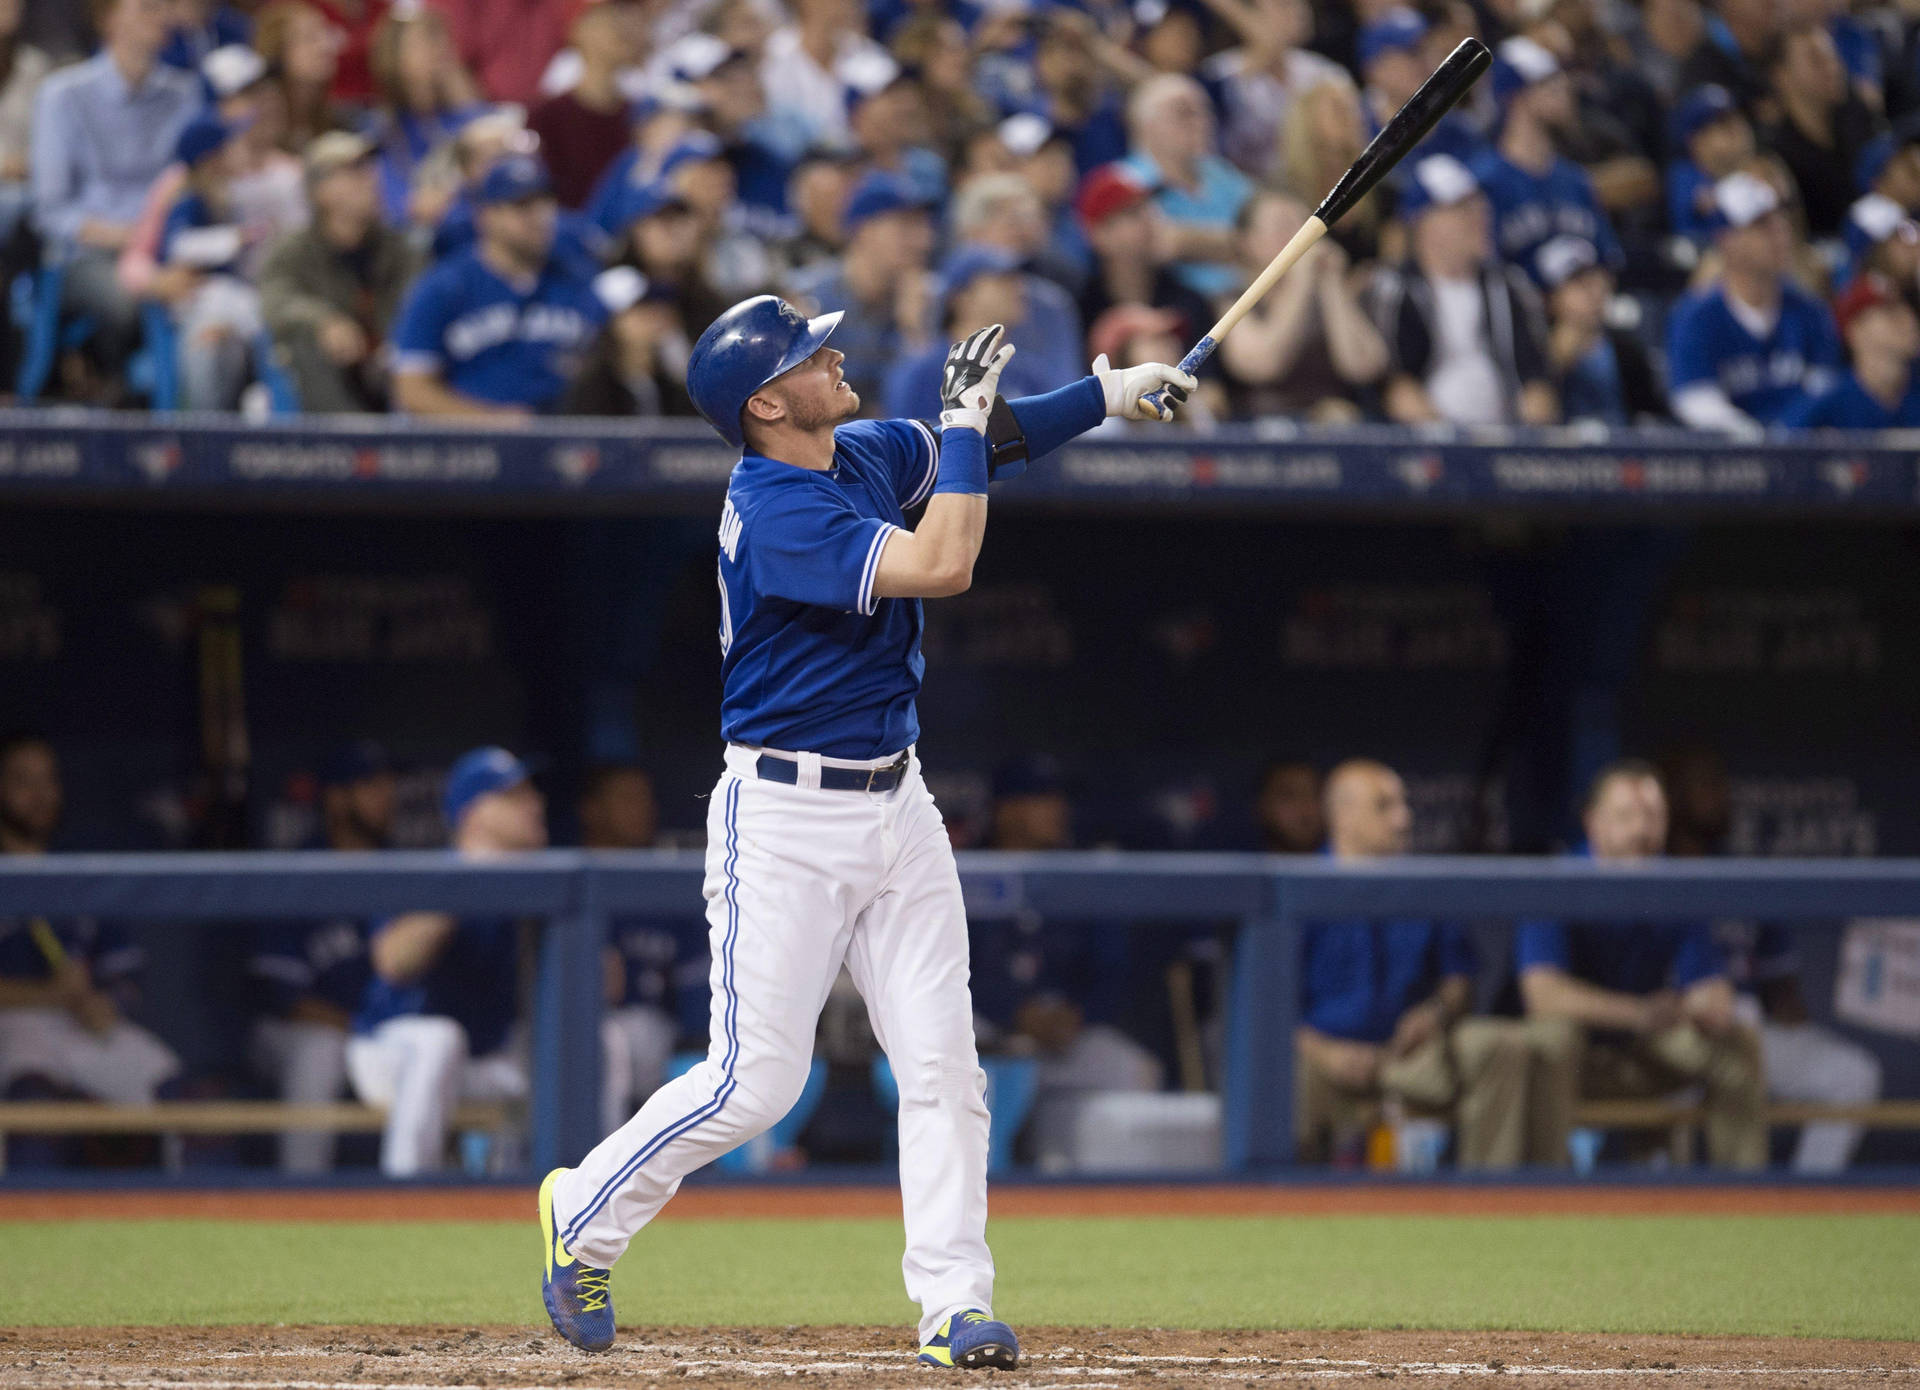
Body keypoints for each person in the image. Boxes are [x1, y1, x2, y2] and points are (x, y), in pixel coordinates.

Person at [534, 295, 1195, 1363]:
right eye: (810, 355)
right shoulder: (773, 505)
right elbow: (946, 563)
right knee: (755, 1080)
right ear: (765, 401)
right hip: (784, 813)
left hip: (899, 800)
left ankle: (953, 1305)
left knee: (944, 1065)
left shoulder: (861, 450)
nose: (835, 357)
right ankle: (585, 1211)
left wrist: (1110, 394)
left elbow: (993, 440)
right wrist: (972, 430)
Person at [1515, 760, 1767, 1171]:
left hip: (1644, 1050)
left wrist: (1704, 1003)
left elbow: (1711, 985)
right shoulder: (1557, 880)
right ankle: (1544, 1198)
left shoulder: (1673, 885)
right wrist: (1639, 1013)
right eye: (1626, 816)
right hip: (1573, 1058)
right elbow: (1544, 995)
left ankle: (1745, 1201)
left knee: (1735, 1042)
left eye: (1653, 816)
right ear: (1593, 822)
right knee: (1551, 1038)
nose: (1641, 830)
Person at [1296, 760, 1534, 1169]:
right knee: (1282, 1075)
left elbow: (1460, 980)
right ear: (1343, 816)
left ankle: (1491, 1204)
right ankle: (1279, 1210)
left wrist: (1436, 1011)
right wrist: (1324, 1052)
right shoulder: (1296, 888)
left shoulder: (1425, 885)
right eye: (1384, 806)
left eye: (1402, 804)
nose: (1403, 818)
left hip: (1410, 1056)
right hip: (1323, 1056)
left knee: (1500, 1045)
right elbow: (1265, 1006)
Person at [1658, 747, 1883, 1173]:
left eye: (1720, 785)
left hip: (1747, 1027)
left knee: (1853, 1072)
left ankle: (1804, 1202)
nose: (1720, 796)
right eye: (1705, 785)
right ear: (1672, 796)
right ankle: (1655, 1206)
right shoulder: (1647, 875)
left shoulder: (1743, 876)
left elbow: (1783, 990)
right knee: (1670, 1075)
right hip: (1675, 1031)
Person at [346, 746, 536, 1177]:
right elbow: (392, 961)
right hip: (390, 1053)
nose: (534, 805)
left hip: (481, 1061)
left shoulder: (534, 885)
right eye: (514, 796)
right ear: (475, 813)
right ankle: (408, 1191)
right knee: (439, 1039)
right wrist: (467, 886)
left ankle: (531, 1199)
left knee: (559, 1054)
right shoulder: (429, 872)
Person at [0, 735, 181, 1110]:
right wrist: (47, 994)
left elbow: (125, 974)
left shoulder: (79, 875)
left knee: (171, 1094)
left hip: (78, 1023)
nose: (40, 794)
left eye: (48, 781)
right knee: (32, 1103)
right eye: (23, 781)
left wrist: (107, 1003)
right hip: (12, 1030)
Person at [29, 0, 201, 392]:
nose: (161, 17)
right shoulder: (63, 95)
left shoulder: (185, 94)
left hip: (168, 247)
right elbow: (51, 210)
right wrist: (132, 235)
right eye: (147, 8)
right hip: (88, 253)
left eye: (164, 8)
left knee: (204, 297)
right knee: (126, 300)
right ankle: (112, 391)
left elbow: (193, 183)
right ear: (109, 19)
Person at [246, 742, 390, 1173]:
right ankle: (302, 1192)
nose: (385, 794)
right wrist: (358, 1028)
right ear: (336, 799)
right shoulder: (298, 874)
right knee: (321, 1050)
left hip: (370, 1035)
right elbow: (282, 997)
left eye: (386, 783)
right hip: (291, 1033)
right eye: (369, 785)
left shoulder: (402, 868)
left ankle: (427, 1197)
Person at [391, 152, 607, 420]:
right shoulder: (444, 287)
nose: (540, 216)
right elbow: (412, 389)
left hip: (568, 440)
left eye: (545, 202)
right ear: (486, 216)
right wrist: (489, 421)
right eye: (522, 206)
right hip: (474, 448)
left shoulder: (577, 280)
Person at [1370, 154, 1558, 427]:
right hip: (1429, 444)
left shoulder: (1509, 285)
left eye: (1479, 203)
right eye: (1461, 207)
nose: (1479, 214)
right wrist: (1455, 448)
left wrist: (1526, 442)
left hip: (1507, 435)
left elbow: (1536, 378)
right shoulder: (1395, 289)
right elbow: (1395, 385)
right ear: (1423, 221)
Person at [578, 763, 711, 1136]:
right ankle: (595, 1166)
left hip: (649, 1030)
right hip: (561, 1035)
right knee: (607, 1040)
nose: (642, 808)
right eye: (626, 798)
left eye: (645, 798)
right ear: (592, 809)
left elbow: (695, 987)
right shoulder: (572, 878)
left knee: (622, 1038)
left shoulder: (664, 884)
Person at [1667, 171, 1842, 434]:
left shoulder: (1810, 311)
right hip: (1729, 463)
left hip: (1804, 454)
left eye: (1780, 220)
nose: (1780, 233)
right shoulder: (1696, 317)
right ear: (1726, 239)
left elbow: (1825, 389)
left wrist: (1786, 433)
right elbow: (1695, 400)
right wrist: (1757, 440)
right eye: (1761, 225)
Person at [260, 130, 422, 412]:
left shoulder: (400, 247)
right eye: (353, 171)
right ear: (319, 191)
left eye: (369, 169)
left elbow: (419, 300)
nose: (370, 179)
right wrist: (324, 320)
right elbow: (275, 300)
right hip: (334, 366)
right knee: (303, 343)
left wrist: (399, 338)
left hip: (388, 364)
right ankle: (347, 440)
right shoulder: (293, 250)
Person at [1218, 189, 1388, 422]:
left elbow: (1365, 367)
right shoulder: (1232, 299)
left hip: (1335, 423)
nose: (1300, 238)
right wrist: (1300, 281)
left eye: (1305, 227)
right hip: (1260, 428)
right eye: (1282, 226)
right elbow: (1262, 365)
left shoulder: (1334, 294)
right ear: (1247, 241)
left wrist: (1332, 284)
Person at [1472, 37, 1622, 288]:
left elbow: (1607, 261)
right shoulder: (1484, 183)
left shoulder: (1576, 180)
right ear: (1515, 98)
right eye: (1546, 83)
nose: (1562, 88)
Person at [783, 171, 936, 405]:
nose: (923, 240)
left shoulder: (927, 298)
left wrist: (912, 330)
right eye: (905, 227)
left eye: (924, 227)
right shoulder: (808, 297)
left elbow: (927, 402)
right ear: (864, 230)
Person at [157, 113, 268, 411]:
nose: (238, 148)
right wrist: (233, 239)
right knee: (253, 313)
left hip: (223, 297)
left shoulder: (227, 197)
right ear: (211, 159)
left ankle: (263, 397)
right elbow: (179, 246)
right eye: (230, 145)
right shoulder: (189, 200)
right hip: (198, 296)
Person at [1122, 73, 1251, 299]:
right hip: (1177, 306)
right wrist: (1246, 245)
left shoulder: (1222, 173)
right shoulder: (1126, 181)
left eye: (1205, 111)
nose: (1201, 122)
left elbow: (1273, 235)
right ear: (1146, 125)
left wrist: (1192, 241)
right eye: (1184, 113)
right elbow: (1163, 245)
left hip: (1250, 295)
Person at [1200, 0, 1349, 183]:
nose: (1297, 10)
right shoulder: (1219, 74)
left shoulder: (1324, 73)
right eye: (1283, 4)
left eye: (1300, 3)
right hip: (1248, 191)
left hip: (1316, 186)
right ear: (1252, 14)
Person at [1073, 162, 1213, 351]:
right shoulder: (1080, 310)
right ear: (1099, 234)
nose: (1150, 220)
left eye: (1150, 208)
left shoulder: (1189, 301)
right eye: (1133, 213)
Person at [1758, 20, 1878, 240]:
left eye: (1833, 57)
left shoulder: (1859, 122)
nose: (1833, 68)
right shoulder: (1774, 153)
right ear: (1781, 76)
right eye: (1816, 60)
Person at [1539, 236, 1666, 425]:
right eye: (1580, 285)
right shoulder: (1533, 352)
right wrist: (1556, 363)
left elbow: (1651, 413)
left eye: (1596, 282)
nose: (1594, 293)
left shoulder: (1624, 349)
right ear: (1551, 298)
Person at [527, 3, 638, 211]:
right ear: (577, 30)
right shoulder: (547, 117)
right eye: (608, 19)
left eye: (625, 17)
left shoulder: (640, 115)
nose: (623, 28)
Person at [1786, 272, 1920, 426]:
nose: (1910, 320)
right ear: (1855, 329)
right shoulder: (1827, 402)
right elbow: (1779, 440)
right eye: (1891, 314)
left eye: (1910, 311)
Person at [560, 266, 695, 417]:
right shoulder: (592, 390)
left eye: (657, 304)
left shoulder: (671, 384)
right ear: (611, 320)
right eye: (641, 307)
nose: (656, 314)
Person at [1666, 85, 1755, 246]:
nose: (1737, 128)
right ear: (1696, 140)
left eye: (1735, 119)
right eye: (1723, 125)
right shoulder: (1685, 176)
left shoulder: (1758, 167)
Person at [1256, 759, 1323, 853]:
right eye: (1288, 795)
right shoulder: (1240, 866)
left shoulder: (1344, 864)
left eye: (1313, 794)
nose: (1304, 808)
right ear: (1263, 806)